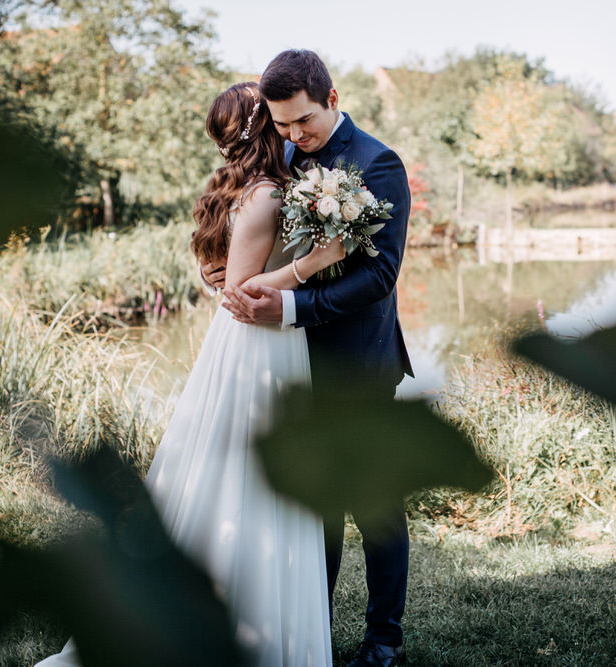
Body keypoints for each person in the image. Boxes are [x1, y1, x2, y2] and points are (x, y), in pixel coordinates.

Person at [37, 82, 344, 666]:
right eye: (278, 122)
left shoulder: (257, 190)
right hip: (260, 346)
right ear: (261, 128)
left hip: (272, 344)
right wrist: (315, 263)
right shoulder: (265, 197)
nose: (288, 130)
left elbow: (220, 275)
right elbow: (236, 292)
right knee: (250, 478)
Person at [207, 50, 413, 667]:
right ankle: (310, 637)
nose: (295, 136)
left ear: (332, 98)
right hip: (285, 367)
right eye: (281, 125)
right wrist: (223, 275)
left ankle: (384, 643)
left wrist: (292, 308)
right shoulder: (282, 157)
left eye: (303, 122)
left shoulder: (379, 165)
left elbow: (379, 275)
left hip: (355, 363)